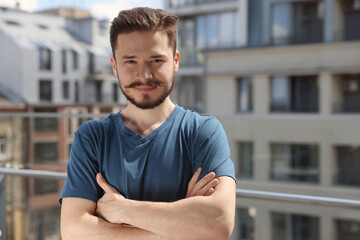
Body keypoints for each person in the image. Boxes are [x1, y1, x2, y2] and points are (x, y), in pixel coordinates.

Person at [59, 7, 236, 240]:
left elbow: (219, 223)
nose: (144, 74)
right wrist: (183, 226)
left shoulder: (202, 132)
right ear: (114, 65)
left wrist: (121, 210)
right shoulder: (92, 137)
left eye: (156, 60)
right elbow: (73, 232)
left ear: (175, 61)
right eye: (130, 61)